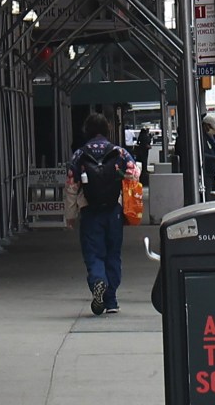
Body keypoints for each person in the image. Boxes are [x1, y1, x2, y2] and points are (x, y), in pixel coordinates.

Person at [69, 114, 139, 316]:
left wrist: (70, 214)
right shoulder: (119, 152)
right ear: (107, 130)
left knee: (94, 254)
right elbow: (134, 175)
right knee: (113, 254)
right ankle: (112, 300)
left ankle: (98, 282)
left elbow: (71, 186)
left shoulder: (79, 154)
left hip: (89, 211)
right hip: (113, 210)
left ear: (87, 131)